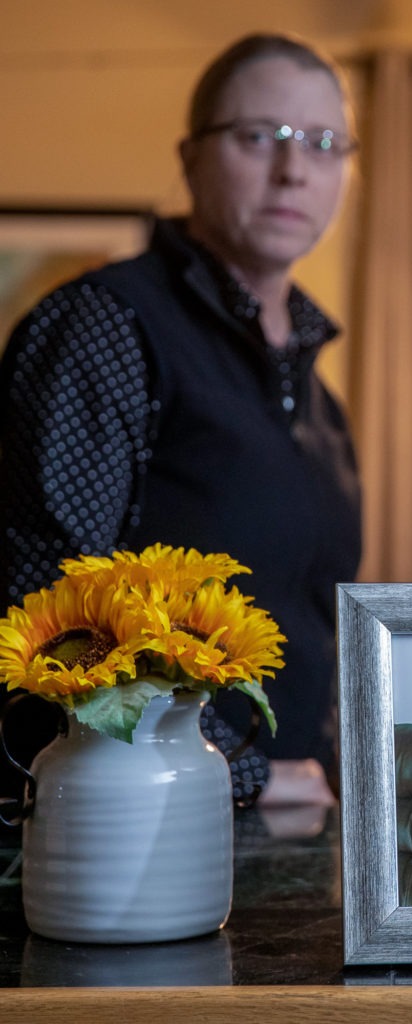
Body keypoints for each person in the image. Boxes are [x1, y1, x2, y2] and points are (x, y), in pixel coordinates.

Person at [0, 33, 361, 803]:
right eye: (259, 137)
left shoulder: (315, 388)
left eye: (326, 145)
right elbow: (50, 611)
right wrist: (249, 773)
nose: (295, 169)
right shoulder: (103, 326)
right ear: (191, 156)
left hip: (286, 834)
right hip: (132, 819)